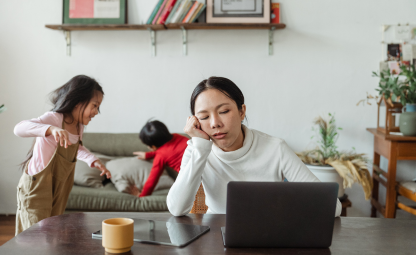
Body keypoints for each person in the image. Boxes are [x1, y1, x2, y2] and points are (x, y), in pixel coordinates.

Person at [167, 76, 342, 217]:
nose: (215, 123)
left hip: (268, 234)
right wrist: (200, 147)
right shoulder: (197, 149)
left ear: (242, 111)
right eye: (204, 117)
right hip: (216, 238)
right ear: (196, 121)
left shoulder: (275, 148)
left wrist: (283, 210)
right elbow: (176, 209)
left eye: (224, 111)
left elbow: (333, 207)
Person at [14, 75, 111, 235]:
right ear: (78, 101)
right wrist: (50, 129)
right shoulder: (54, 119)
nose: (96, 112)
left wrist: (94, 160)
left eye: (98, 108)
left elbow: (76, 148)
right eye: (94, 106)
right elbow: (19, 128)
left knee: (51, 232)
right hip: (37, 187)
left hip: (59, 188)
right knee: (34, 235)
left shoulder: (78, 126)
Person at [132, 120, 188, 197]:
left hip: (191, 179)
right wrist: (149, 155)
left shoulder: (160, 156)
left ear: (153, 146)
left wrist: (142, 195)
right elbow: (171, 150)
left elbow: (152, 180)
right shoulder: (177, 136)